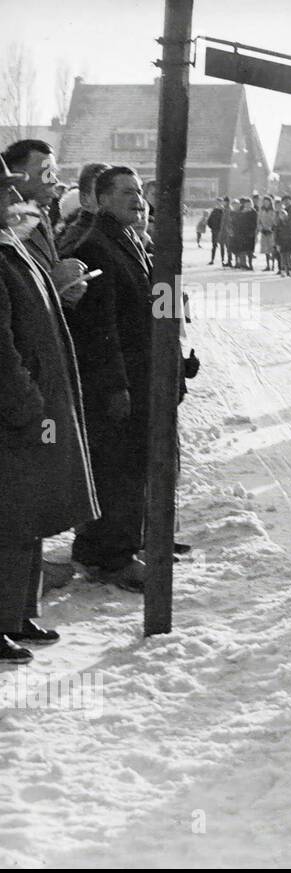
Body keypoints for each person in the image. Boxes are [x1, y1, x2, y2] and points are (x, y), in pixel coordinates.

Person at [0, 155, 98, 664]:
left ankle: (17, 613)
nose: (15, 201)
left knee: (26, 517)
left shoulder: (11, 246)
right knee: (9, 519)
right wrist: (24, 402)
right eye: (5, 192)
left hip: (31, 407)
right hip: (15, 414)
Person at [62, 166, 156, 590]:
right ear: (100, 199)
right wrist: (115, 386)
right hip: (117, 380)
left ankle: (105, 549)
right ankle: (113, 557)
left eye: (139, 191)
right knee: (118, 469)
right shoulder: (97, 246)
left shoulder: (127, 237)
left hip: (137, 374)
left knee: (123, 466)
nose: (137, 199)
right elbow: (100, 328)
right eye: (125, 192)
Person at [1, 139, 89, 314]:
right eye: (45, 172)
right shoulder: (8, 226)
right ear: (15, 175)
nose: (53, 180)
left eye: (53, 172)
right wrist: (54, 282)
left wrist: (68, 289)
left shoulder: (40, 218)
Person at [257, 196, 276, 271]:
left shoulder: (273, 211)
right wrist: (261, 228)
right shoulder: (261, 210)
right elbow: (259, 221)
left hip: (271, 232)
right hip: (264, 231)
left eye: (267, 202)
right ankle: (268, 265)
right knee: (266, 249)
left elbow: (274, 221)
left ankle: (273, 265)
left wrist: (271, 228)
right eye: (264, 202)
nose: (266, 203)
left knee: (272, 248)